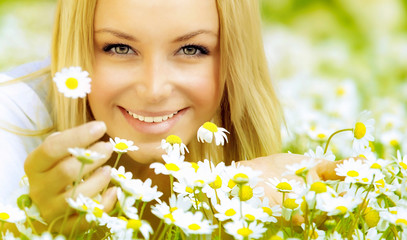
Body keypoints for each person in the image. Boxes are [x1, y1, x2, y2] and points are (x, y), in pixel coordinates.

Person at [0, 0, 336, 235]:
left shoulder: (255, 161)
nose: (154, 89)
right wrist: (34, 225)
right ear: (79, 46)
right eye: (119, 47)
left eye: (191, 50)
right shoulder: (9, 124)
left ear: (234, 59)